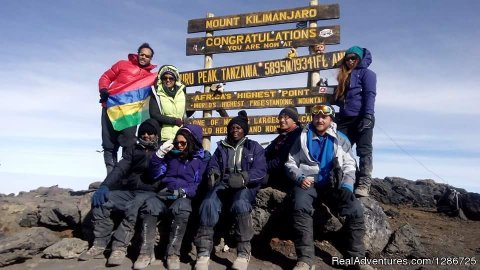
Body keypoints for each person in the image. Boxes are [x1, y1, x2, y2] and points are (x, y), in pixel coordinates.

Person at [285, 104, 372, 270]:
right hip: (308, 183)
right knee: (300, 206)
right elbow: (291, 162)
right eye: (316, 116)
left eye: (324, 117)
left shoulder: (340, 138)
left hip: (334, 184)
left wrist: (347, 185)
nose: (320, 120)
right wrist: (299, 178)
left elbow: (350, 164)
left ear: (330, 119)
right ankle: (305, 260)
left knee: (355, 210)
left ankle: (357, 259)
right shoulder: (302, 137)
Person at [79, 119, 161, 266]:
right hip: (129, 191)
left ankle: (119, 247)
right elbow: (120, 169)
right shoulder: (133, 149)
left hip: (149, 193)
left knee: (133, 207)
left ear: (157, 135)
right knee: (102, 200)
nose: (146, 135)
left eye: (150, 133)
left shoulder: (161, 152)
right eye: (143, 133)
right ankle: (99, 243)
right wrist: (105, 186)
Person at [193, 110, 267, 270]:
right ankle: (204, 252)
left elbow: (260, 171)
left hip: (244, 185)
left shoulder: (254, 147)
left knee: (240, 203)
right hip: (224, 183)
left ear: (244, 130)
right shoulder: (221, 147)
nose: (235, 130)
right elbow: (213, 164)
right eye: (232, 127)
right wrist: (214, 173)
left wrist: (243, 178)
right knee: (208, 203)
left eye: (239, 127)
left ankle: (243, 252)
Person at [132, 124, 208, 270]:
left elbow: (197, 184)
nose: (179, 145)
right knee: (150, 206)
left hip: (182, 196)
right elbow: (154, 174)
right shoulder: (170, 156)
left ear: (191, 141)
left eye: (183, 143)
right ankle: (145, 252)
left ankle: (173, 253)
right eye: (177, 142)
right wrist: (159, 155)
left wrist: (183, 192)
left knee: (183, 209)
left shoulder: (199, 160)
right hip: (164, 194)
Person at [98, 42, 157, 174]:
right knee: (108, 143)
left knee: (129, 143)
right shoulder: (122, 64)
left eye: (147, 56)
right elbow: (106, 77)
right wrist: (103, 90)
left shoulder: (151, 77)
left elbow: (165, 83)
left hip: (131, 114)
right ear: (137, 54)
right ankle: (110, 175)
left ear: (150, 59)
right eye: (141, 54)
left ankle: (122, 175)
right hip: (111, 107)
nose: (143, 57)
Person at [334, 46, 377, 197]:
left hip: (361, 117)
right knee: (340, 150)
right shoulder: (344, 76)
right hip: (345, 118)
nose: (350, 61)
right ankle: (348, 179)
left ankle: (364, 183)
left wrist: (368, 116)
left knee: (364, 150)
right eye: (348, 58)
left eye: (353, 58)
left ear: (359, 58)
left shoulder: (367, 74)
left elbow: (370, 95)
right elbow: (341, 99)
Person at [265, 106, 302, 192]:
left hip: (287, 176)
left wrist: (261, 167)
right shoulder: (283, 136)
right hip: (276, 172)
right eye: (280, 118)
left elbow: (280, 161)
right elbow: (265, 152)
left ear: (294, 120)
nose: (281, 120)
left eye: (286, 117)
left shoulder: (297, 136)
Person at [149, 65, 188, 142]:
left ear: (175, 79)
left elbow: (185, 113)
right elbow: (154, 114)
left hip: (181, 137)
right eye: (165, 78)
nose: (168, 80)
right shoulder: (156, 93)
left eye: (171, 78)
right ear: (161, 79)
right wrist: (174, 121)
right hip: (164, 137)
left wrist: (195, 103)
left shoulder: (182, 93)